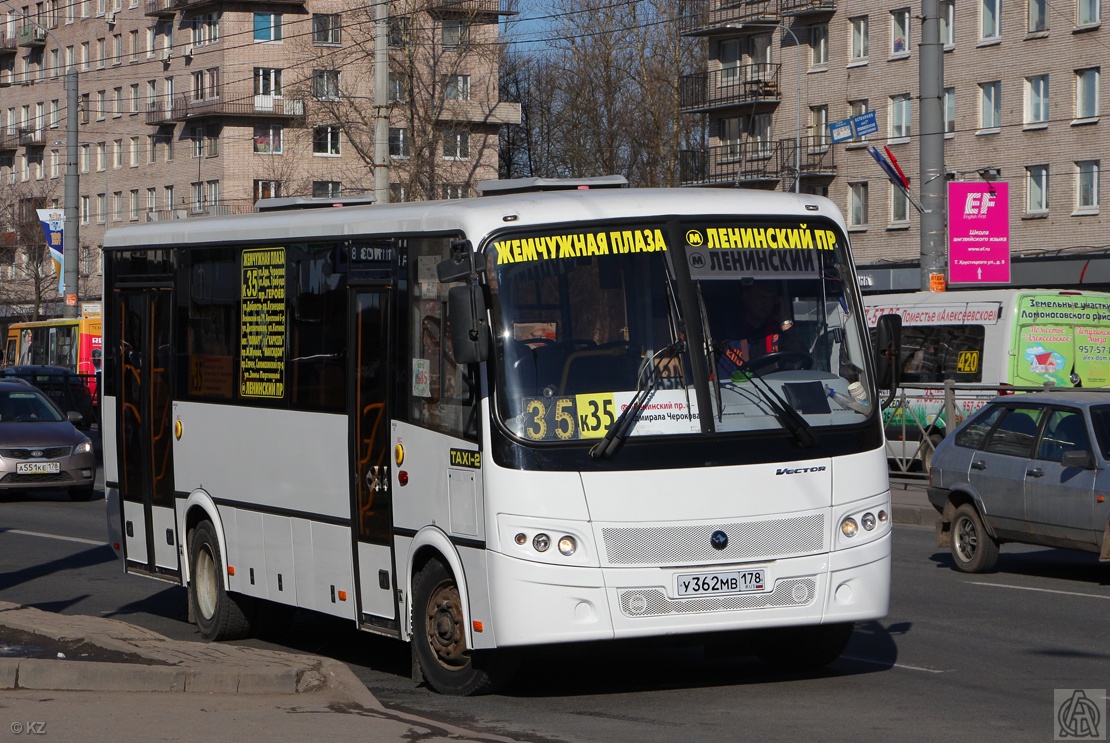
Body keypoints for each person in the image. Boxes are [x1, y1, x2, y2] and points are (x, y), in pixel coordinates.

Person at [716, 282, 805, 378]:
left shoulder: (778, 334)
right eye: (761, 297)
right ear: (747, 298)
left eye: (771, 299)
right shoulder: (730, 335)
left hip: (774, 390)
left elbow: (801, 359)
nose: (766, 304)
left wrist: (784, 319)